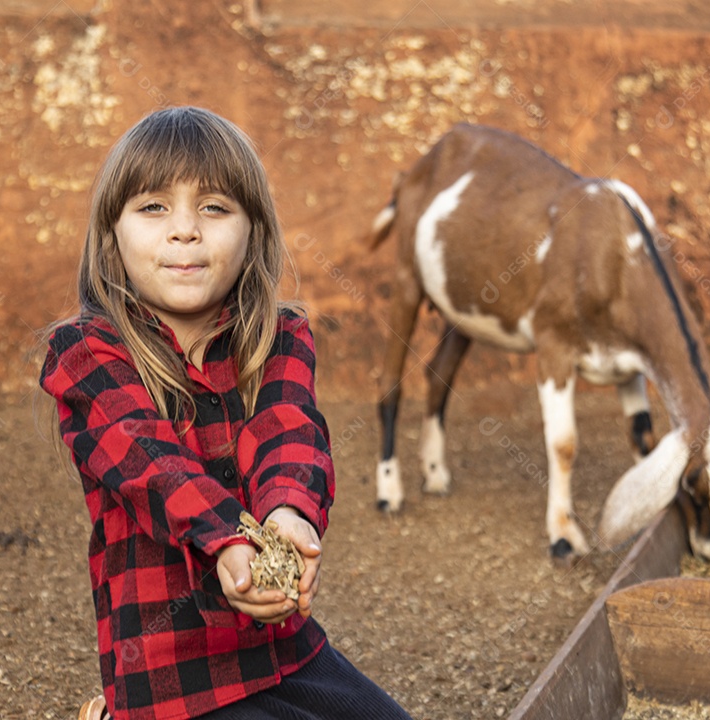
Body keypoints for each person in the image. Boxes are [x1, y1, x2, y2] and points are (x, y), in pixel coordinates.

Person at [41, 106, 412, 720]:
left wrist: (290, 517)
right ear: (111, 235)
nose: (185, 231)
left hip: (281, 649)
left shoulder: (278, 335)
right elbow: (151, 465)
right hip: (169, 676)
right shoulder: (85, 353)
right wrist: (231, 542)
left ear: (253, 232)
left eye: (213, 208)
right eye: (153, 207)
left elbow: (287, 431)